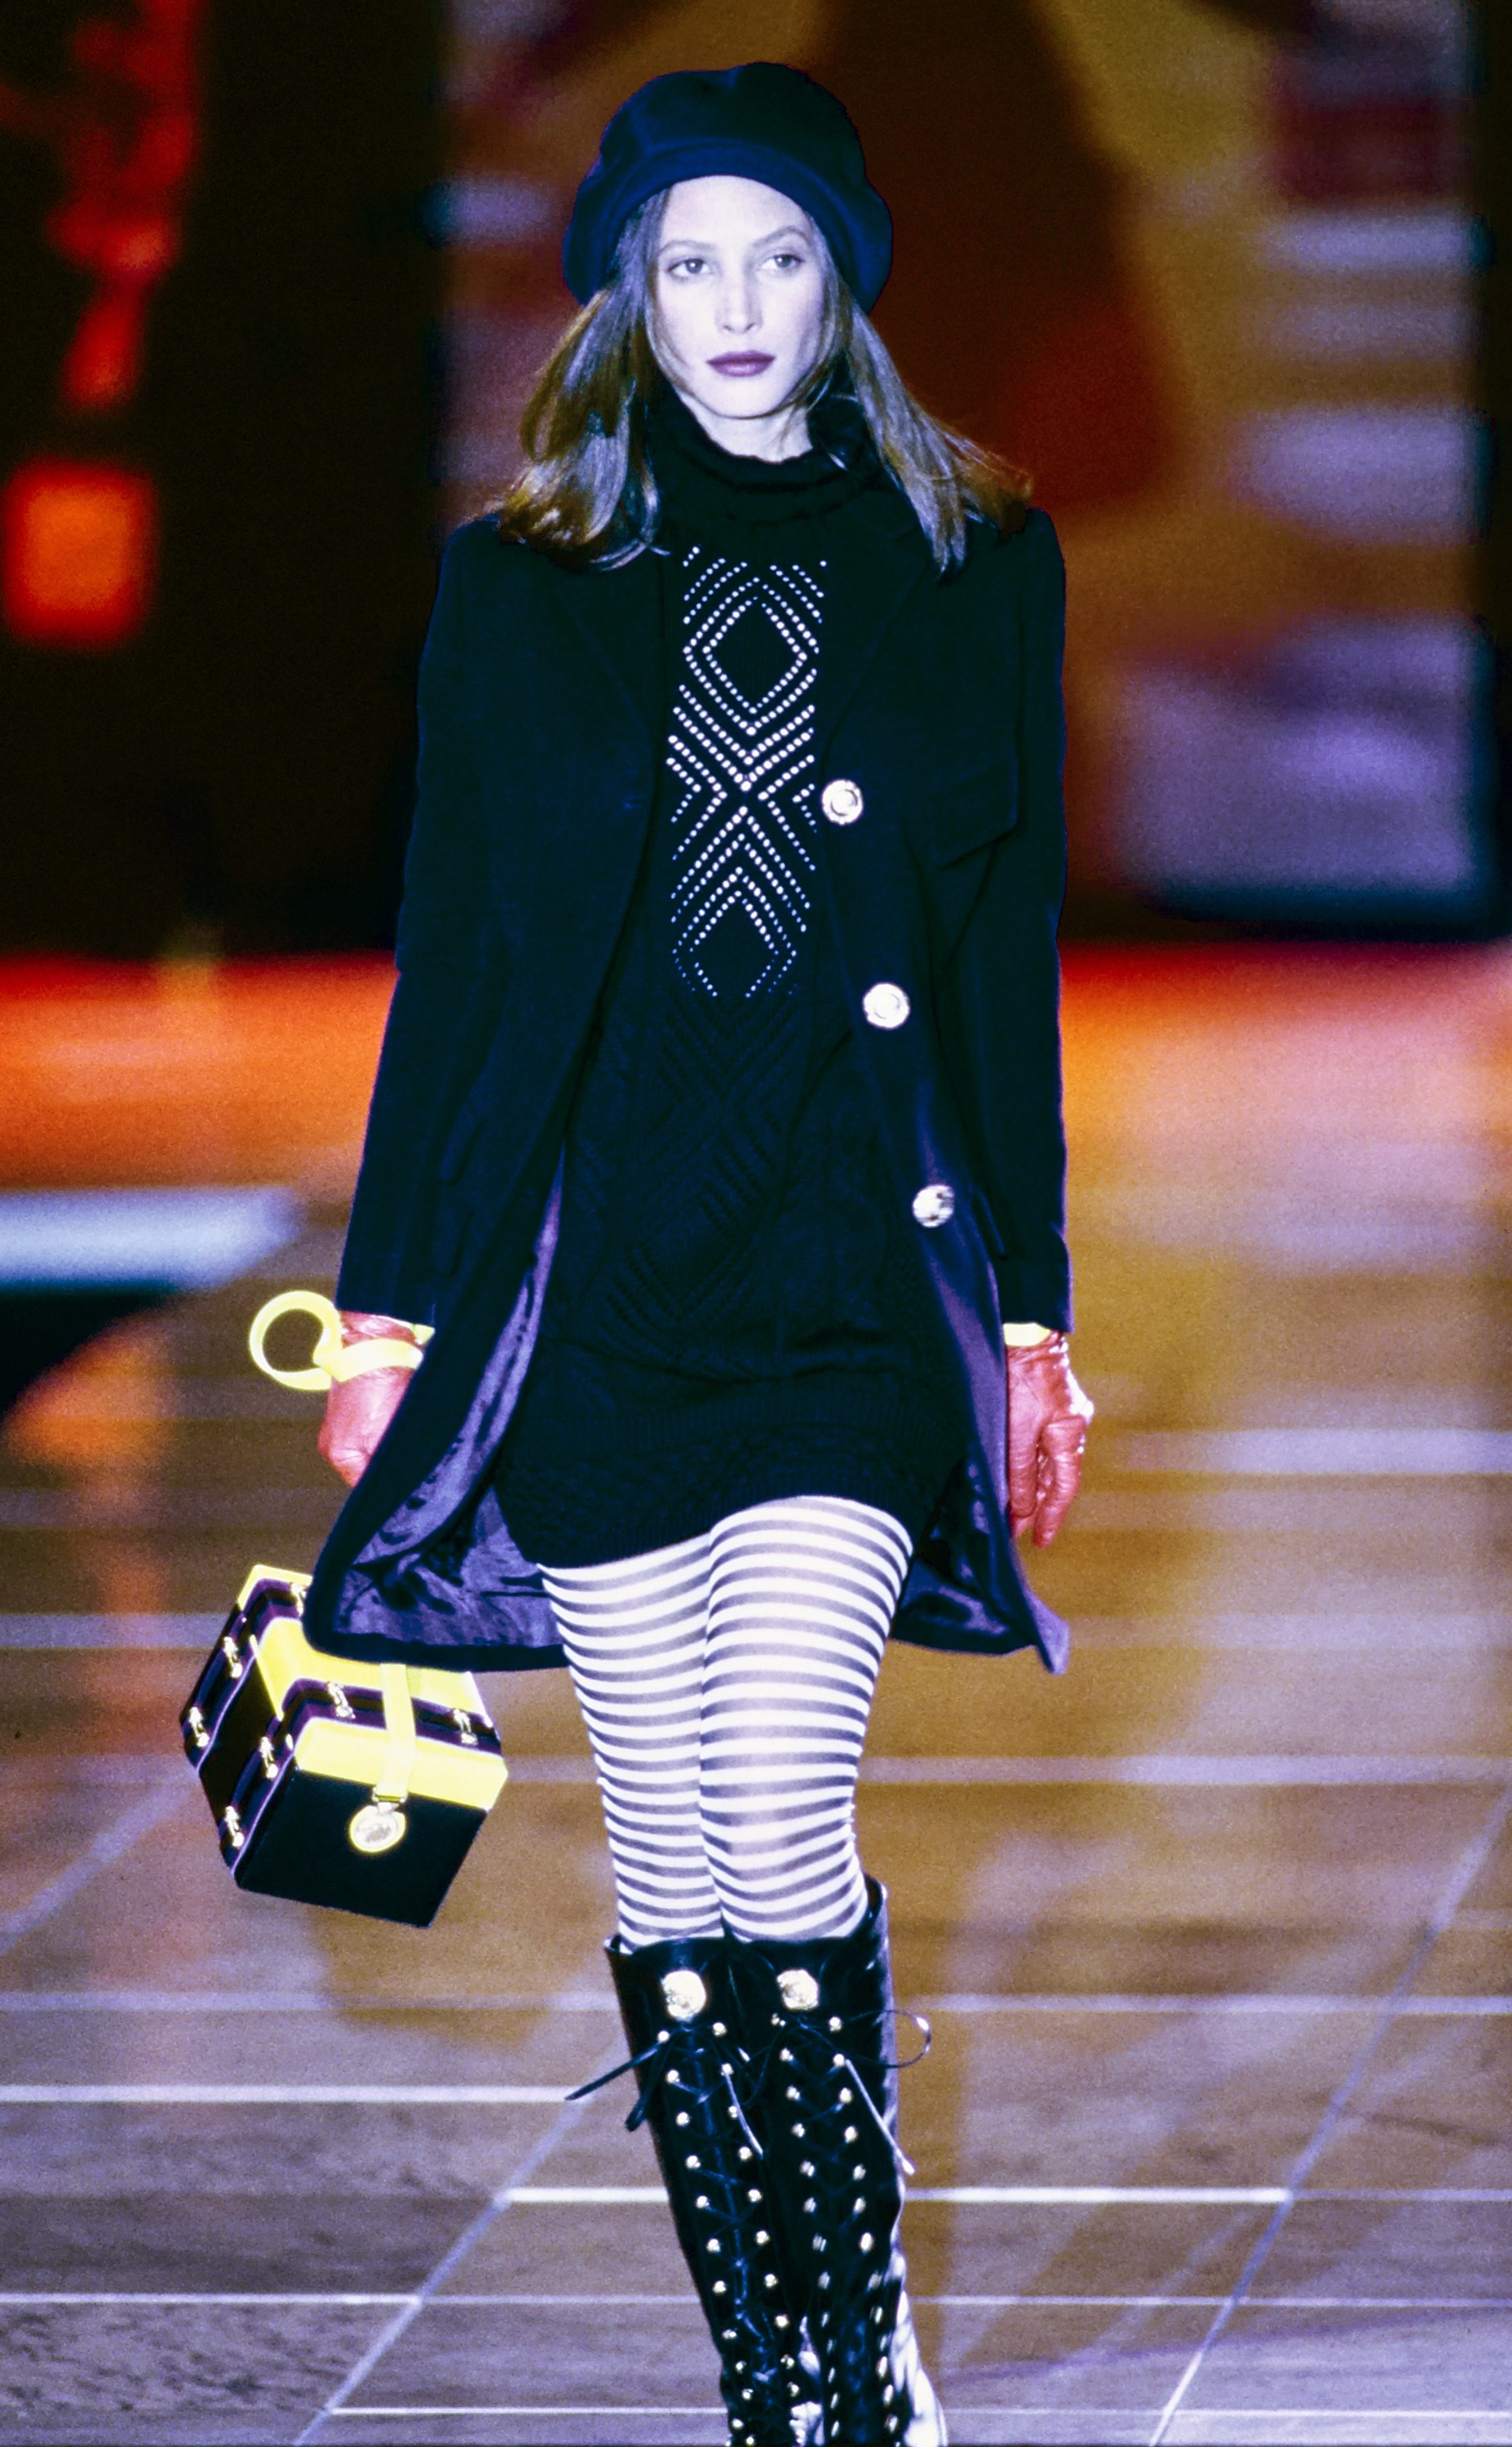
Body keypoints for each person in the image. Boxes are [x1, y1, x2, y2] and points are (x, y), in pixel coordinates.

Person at [305, 63, 1093, 2447]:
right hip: (601, 1298)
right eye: (685, 262)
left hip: (851, 1279)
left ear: (842, 277)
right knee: (669, 1856)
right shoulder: (516, 585)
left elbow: (1003, 969)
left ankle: (850, 2359)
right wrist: (386, 1308)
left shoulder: (977, 560)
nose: (735, 307)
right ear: (624, 295)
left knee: (776, 1806)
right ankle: (795, 2382)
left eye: (776, 256)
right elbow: (455, 973)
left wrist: (1033, 1315)